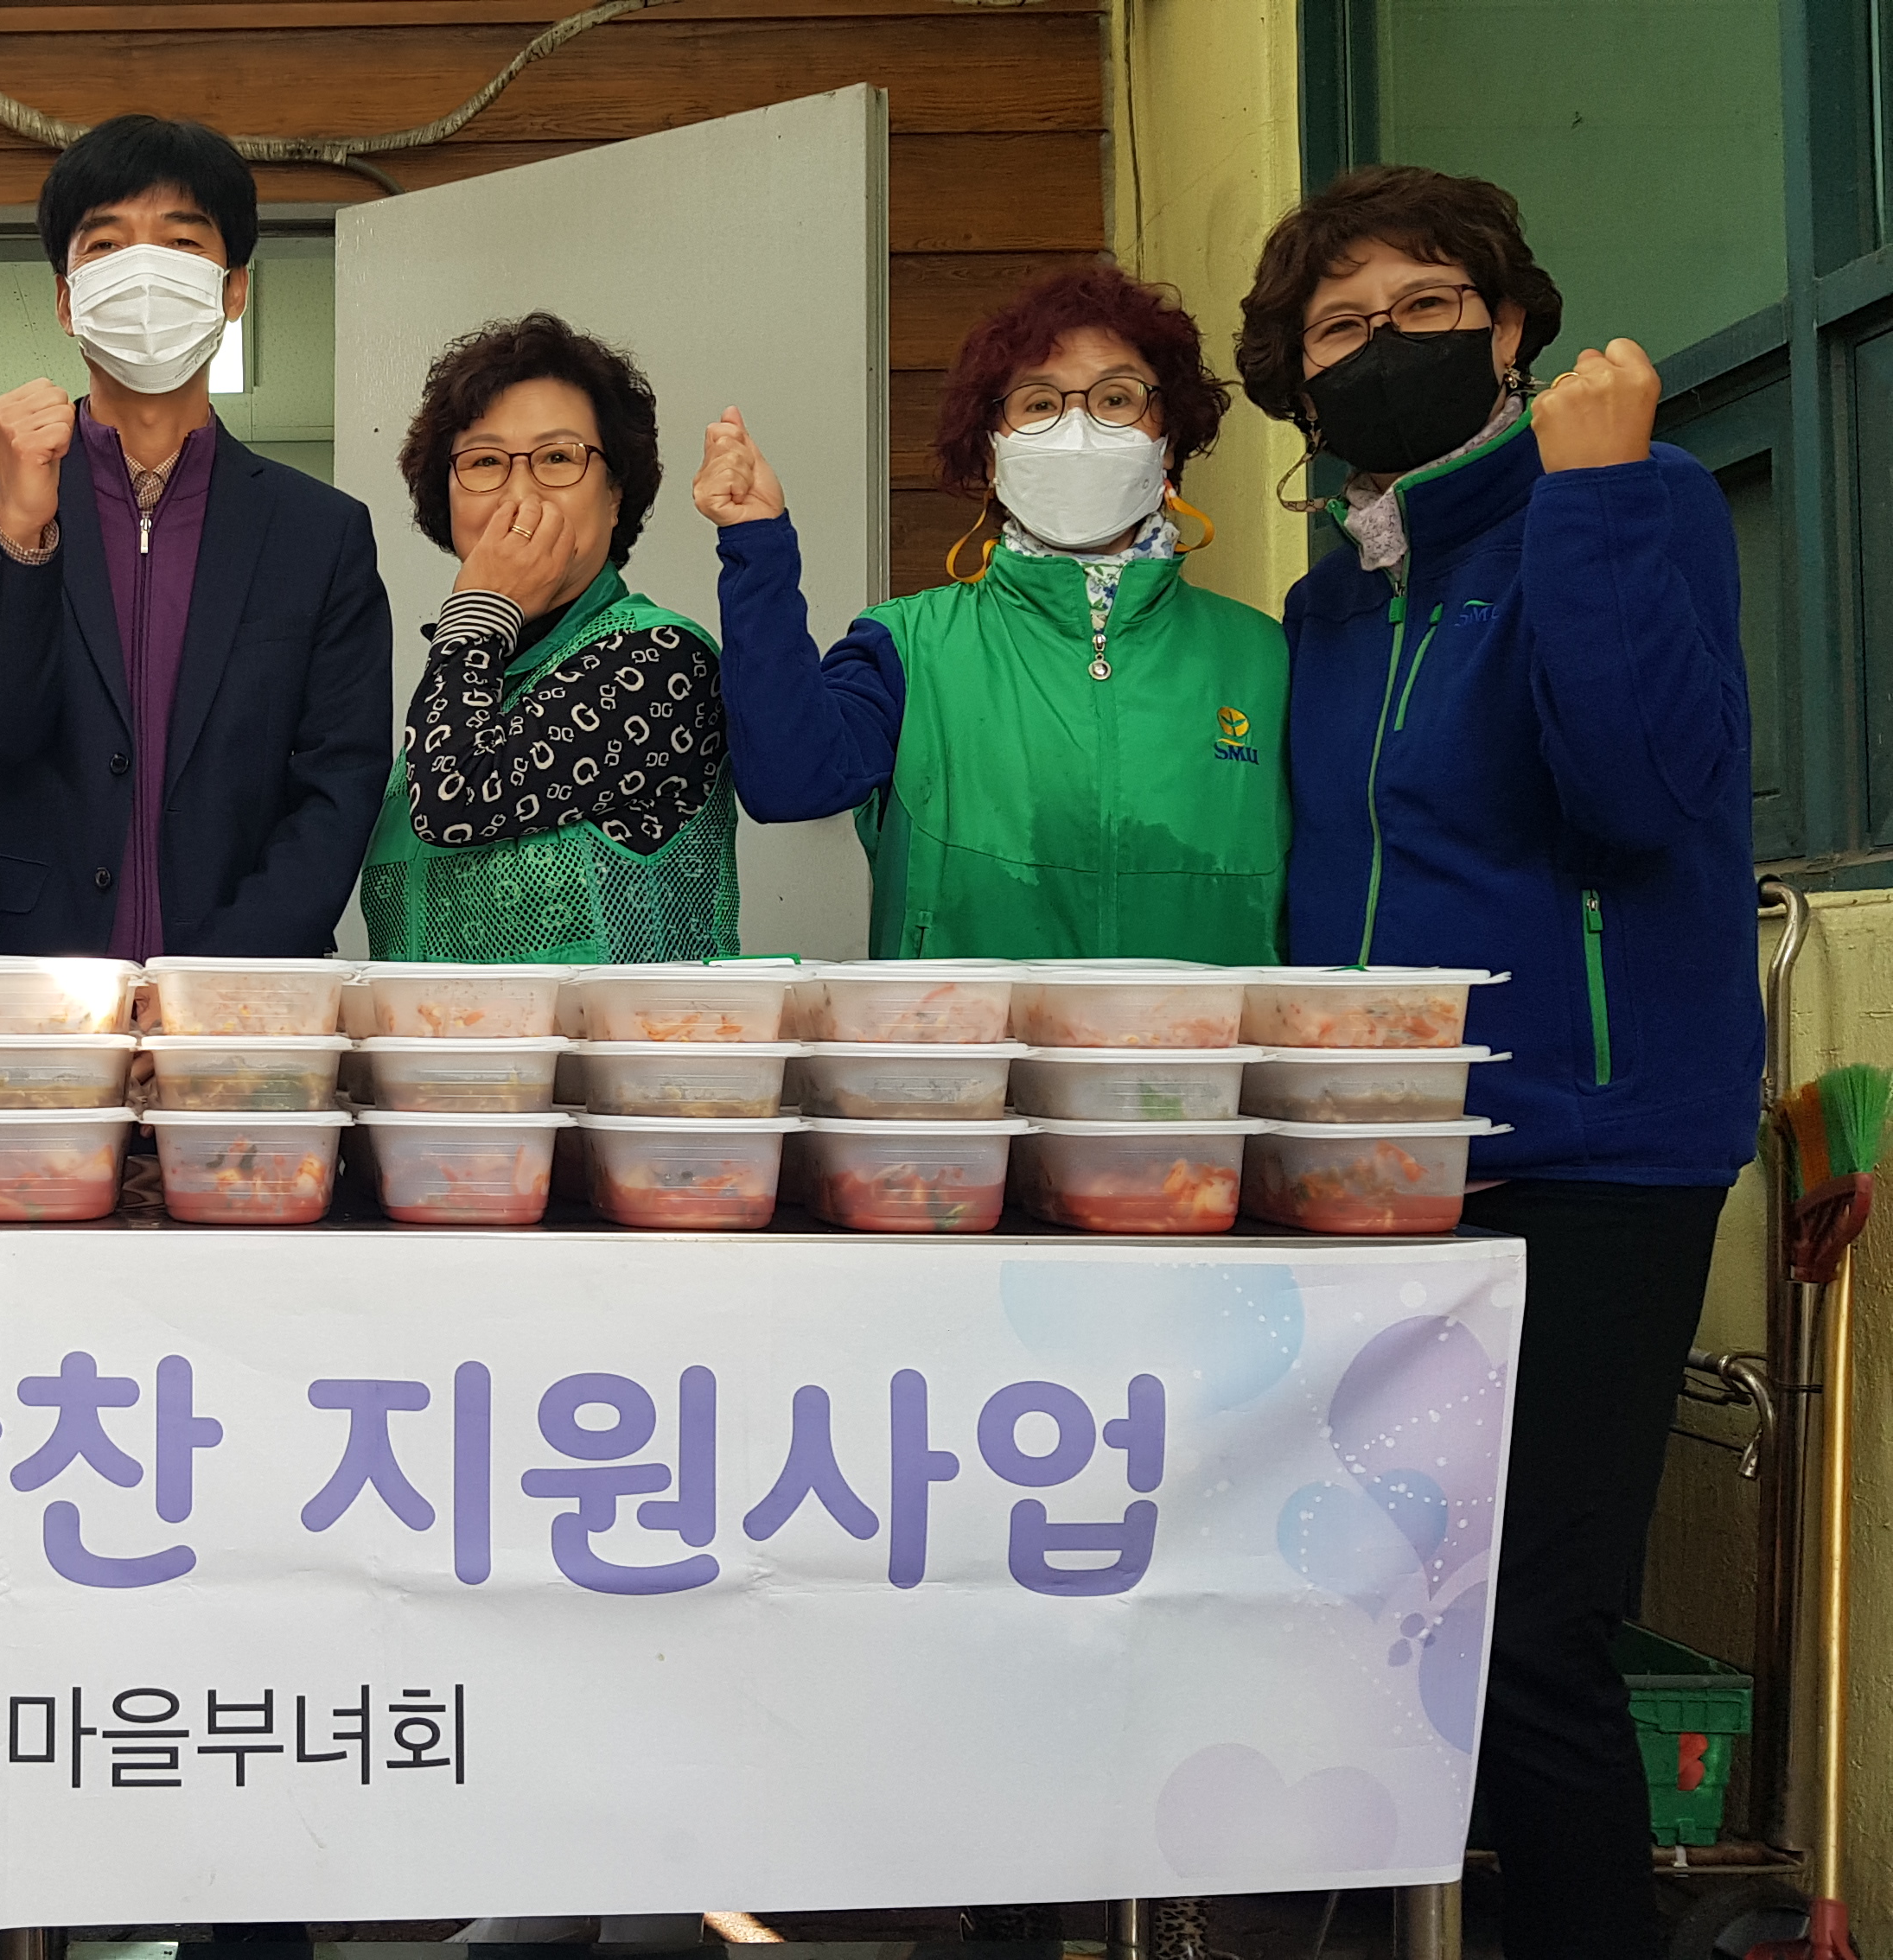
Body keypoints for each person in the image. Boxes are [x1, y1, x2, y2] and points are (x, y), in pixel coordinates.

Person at [1236, 165, 1756, 1960]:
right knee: (1373, 1609)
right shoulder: (1331, 604)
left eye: (1428, 307)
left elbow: (1641, 790)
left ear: (1512, 325)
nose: (1384, 344)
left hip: (1592, 1151)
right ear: (1301, 382)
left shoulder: (1636, 498)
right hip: (1386, 1169)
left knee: (1528, 1629)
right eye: (1340, 325)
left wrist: (1590, 489)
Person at [704, 263, 1289, 960]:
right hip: (962, 1034)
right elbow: (789, 783)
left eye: (1116, 398)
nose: (1077, 427)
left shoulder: (1266, 656)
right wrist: (758, 546)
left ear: (1168, 441)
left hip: (1204, 1035)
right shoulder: (906, 646)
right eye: (1039, 404)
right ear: (990, 455)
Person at [0, 113, 391, 958]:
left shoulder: (321, 532)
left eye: (180, 242)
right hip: (33, 977)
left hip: (244, 984)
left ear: (233, 290)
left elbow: (340, 781)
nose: (142, 271)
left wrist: (220, 978)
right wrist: (19, 532)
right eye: (105, 245)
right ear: (67, 299)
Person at [359, 313, 736, 962]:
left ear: (615, 495)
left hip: (633, 1032)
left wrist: (478, 612)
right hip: (436, 1033)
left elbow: (455, 797)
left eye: (558, 458)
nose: (520, 496)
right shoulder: (475, 673)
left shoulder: (663, 659)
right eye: (484, 462)